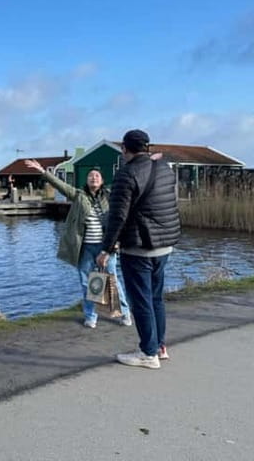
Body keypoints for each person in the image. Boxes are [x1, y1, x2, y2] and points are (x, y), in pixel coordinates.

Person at [97, 129, 181, 369]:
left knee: (141, 300)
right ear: (147, 147)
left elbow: (117, 217)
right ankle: (159, 346)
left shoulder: (127, 174)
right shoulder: (165, 169)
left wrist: (106, 249)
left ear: (125, 149)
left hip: (139, 246)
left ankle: (148, 353)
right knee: (156, 298)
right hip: (165, 245)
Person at [25, 159, 132, 328]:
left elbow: (120, 219)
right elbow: (60, 185)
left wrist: (115, 244)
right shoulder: (79, 195)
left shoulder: (111, 196)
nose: (93, 178)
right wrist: (43, 172)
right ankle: (91, 316)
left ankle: (125, 313)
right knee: (86, 282)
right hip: (85, 248)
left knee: (112, 281)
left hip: (106, 248)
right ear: (86, 180)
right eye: (90, 176)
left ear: (102, 180)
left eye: (97, 176)